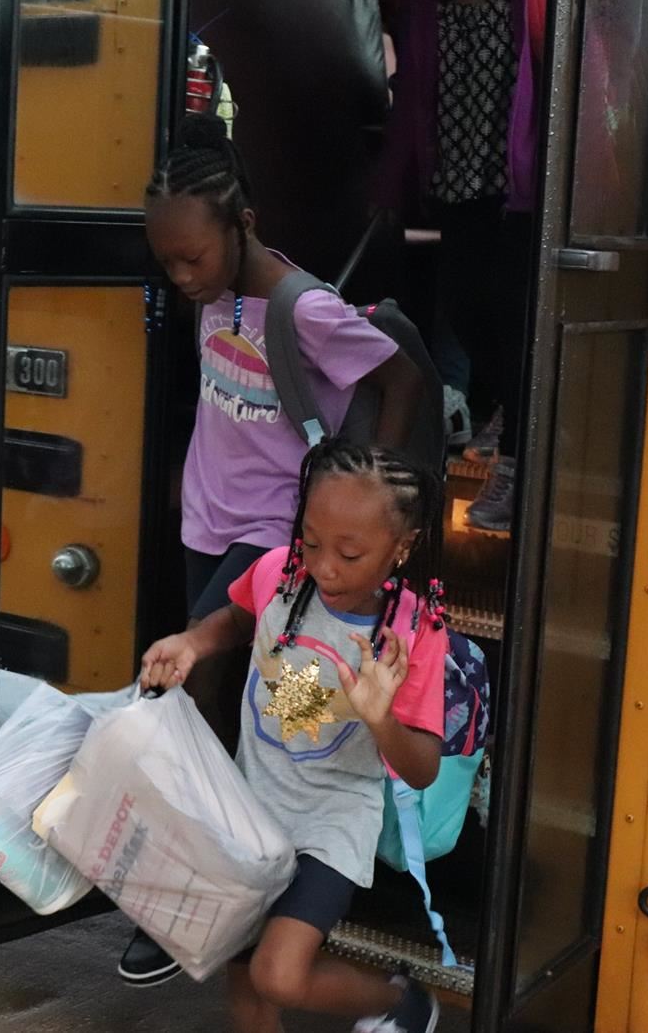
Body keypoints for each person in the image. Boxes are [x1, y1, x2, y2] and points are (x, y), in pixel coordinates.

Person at [124, 113, 425, 987]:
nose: (181, 277)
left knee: (209, 686)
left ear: (242, 226)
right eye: (167, 261)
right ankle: (252, 877)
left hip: (271, 533)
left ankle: (195, 898)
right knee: (232, 707)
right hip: (206, 518)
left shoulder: (305, 308)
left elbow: (398, 376)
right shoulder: (216, 295)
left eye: (194, 259)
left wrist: (369, 483)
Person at [140, 438, 449, 1033]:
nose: (324, 566)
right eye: (310, 541)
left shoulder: (412, 634)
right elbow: (237, 616)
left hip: (330, 824)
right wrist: (192, 643)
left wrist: (379, 716)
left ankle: (398, 1003)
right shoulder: (277, 571)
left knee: (277, 975)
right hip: (248, 808)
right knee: (245, 986)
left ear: (402, 547)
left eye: (350, 554)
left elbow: (422, 769)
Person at [376, 0, 547, 528]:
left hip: (514, 189)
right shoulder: (426, 10)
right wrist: (393, 187)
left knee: (510, 318)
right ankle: (507, 406)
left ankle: (518, 464)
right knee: (465, 311)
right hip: (456, 186)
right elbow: (412, 102)